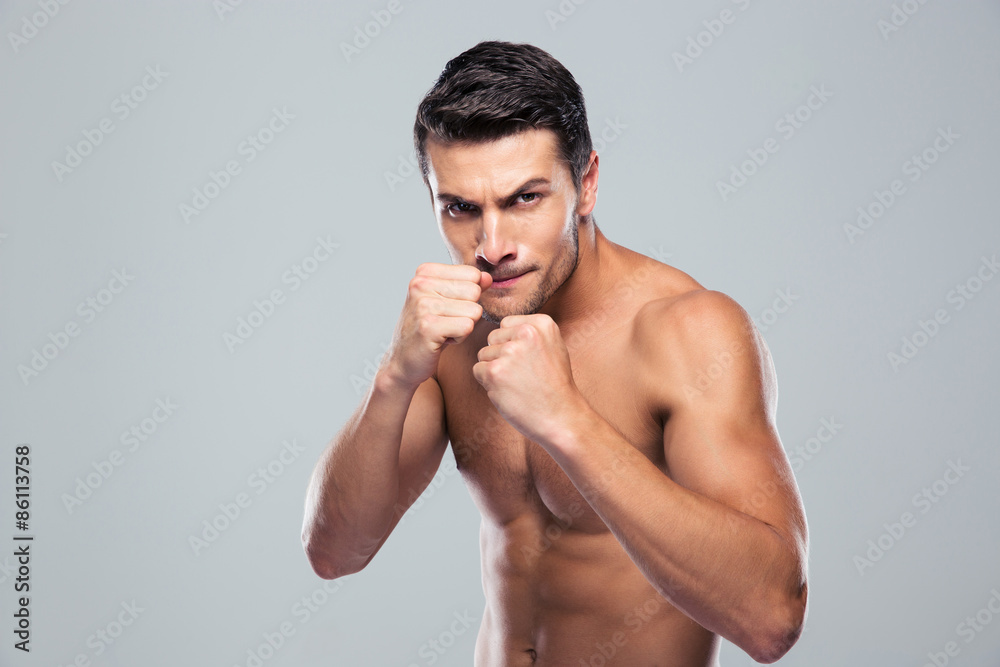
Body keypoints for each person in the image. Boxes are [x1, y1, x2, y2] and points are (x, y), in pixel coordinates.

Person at [301, 40, 808, 666]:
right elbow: (334, 553)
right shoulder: (452, 336)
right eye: (461, 208)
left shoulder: (686, 332)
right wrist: (394, 377)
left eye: (524, 199)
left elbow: (772, 619)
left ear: (586, 183)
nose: (492, 246)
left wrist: (567, 420)